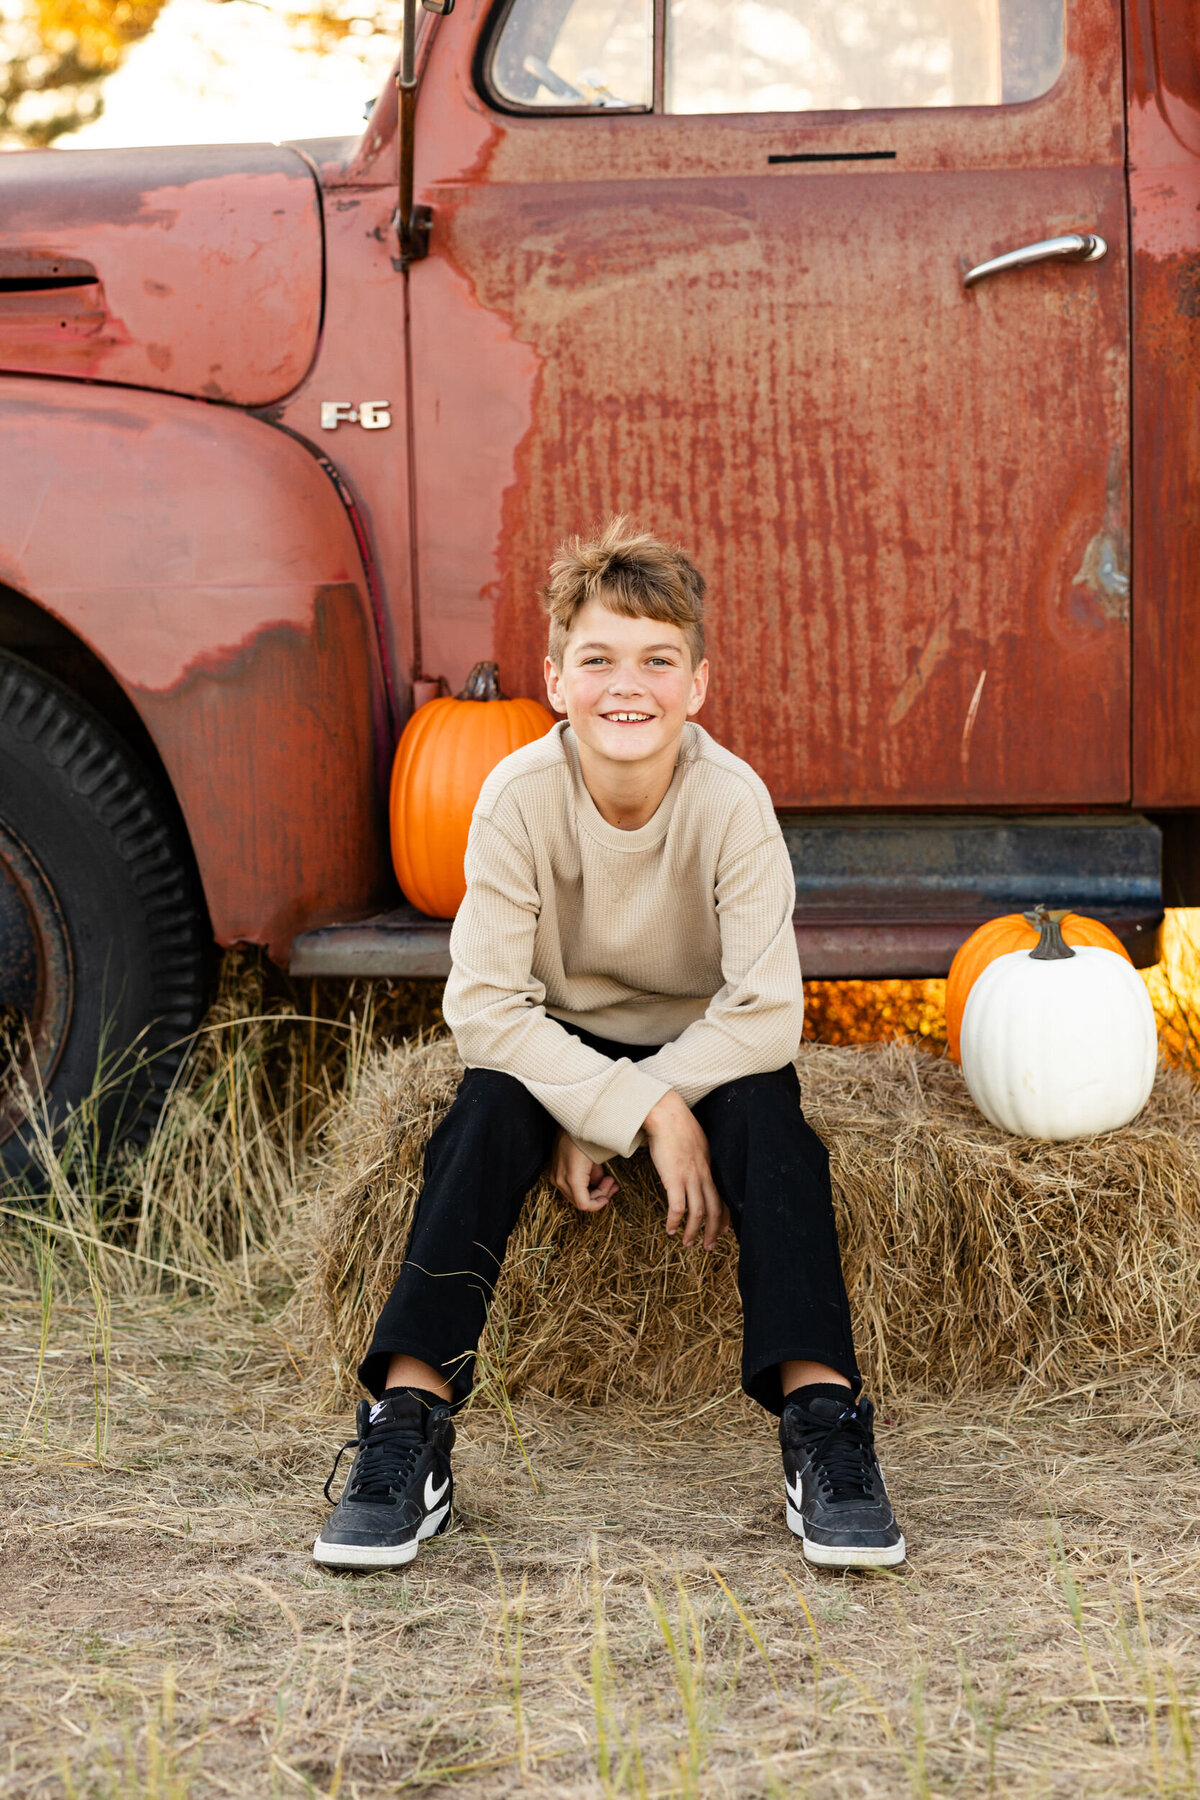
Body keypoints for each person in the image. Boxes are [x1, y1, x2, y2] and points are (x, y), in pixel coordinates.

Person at [314, 520, 904, 1572]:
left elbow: (766, 1012)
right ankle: (408, 1427)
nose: (625, 686)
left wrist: (653, 1096)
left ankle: (823, 1427)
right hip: (556, 1038)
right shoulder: (514, 798)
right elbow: (488, 1008)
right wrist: (629, 1110)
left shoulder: (731, 804)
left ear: (699, 684)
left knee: (774, 1125)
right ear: (555, 678)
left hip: (705, 1042)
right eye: (598, 659)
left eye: (656, 660)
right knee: (486, 1112)